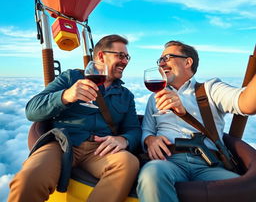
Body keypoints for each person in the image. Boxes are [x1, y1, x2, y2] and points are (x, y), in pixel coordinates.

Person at [8, 34, 141, 202]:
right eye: (120, 55)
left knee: (128, 163)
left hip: (99, 151)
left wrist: (124, 139)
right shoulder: (71, 78)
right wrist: (66, 95)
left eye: (127, 57)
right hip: (63, 144)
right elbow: (32, 110)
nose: (125, 61)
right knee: (29, 178)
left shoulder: (126, 95)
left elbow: (134, 129)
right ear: (101, 56)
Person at [136, 40, 256, 202]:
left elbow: (246, 103)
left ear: (188, 62)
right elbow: (148, 130)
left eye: (167, 58)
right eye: (160, 60)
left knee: (243, 190)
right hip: (168, 161)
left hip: (208, 163)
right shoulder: (154, 98)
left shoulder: (210, 89)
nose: (161, 63)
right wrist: (150, 140)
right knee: (151, 174)